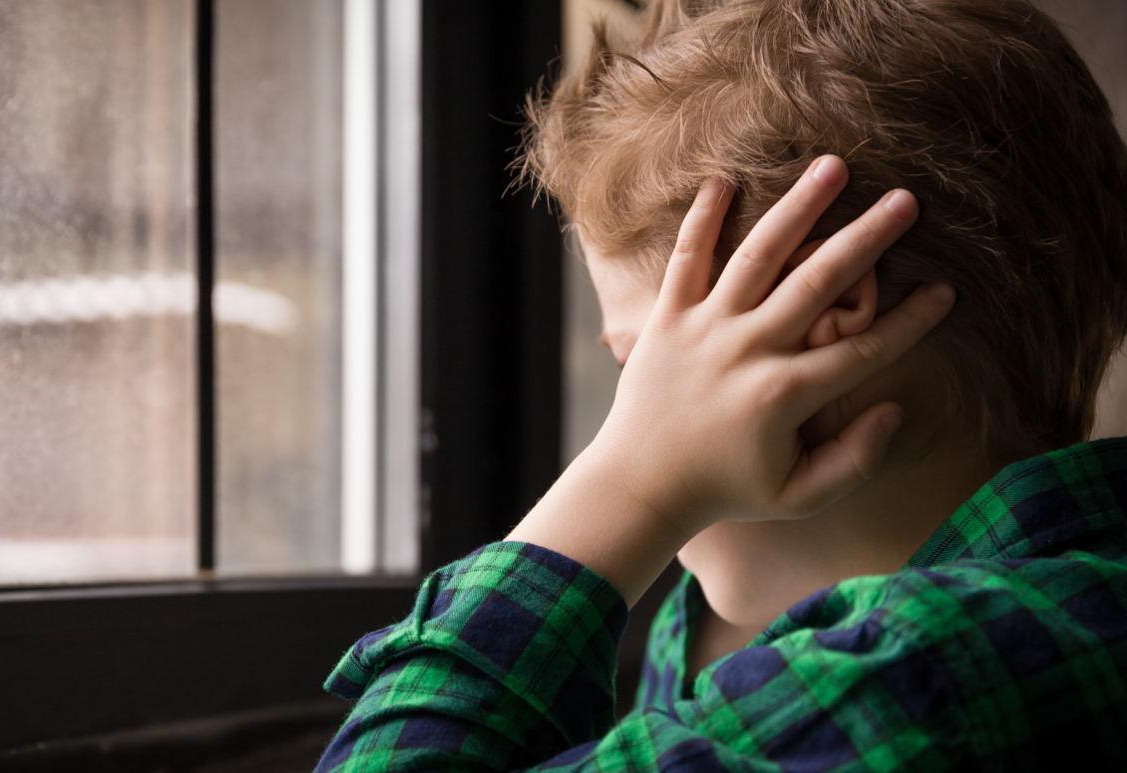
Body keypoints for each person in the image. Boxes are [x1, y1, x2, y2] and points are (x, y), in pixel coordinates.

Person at [316, 0, 1127, 769]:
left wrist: (632, 484)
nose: (637, 420)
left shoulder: (929, 669)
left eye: (648, 366)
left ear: (822, 313)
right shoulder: (724, 621)